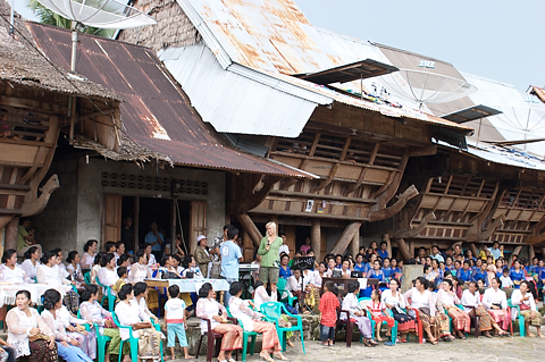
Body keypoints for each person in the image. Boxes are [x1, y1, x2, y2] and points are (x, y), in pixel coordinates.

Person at [228, 282, 286, 361]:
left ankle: (276, 350)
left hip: (247, 320)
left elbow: (244, 303)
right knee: (268, 327)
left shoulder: (232, 300)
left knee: (271, 326)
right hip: (246, 323)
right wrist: (260, 315)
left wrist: (249, 301)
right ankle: (265, 351)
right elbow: (250, 312)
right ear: (240, 291)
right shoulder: (238, 302)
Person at [41, 289, 93, 362]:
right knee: (68, 351)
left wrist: (65, 340)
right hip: (52, 342)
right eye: (60, 300)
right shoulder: (45, 315)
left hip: (60, 340)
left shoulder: (56, 313)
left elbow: (61, 328)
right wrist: (69, 340)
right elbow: (54, 333)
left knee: (77, 350)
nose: (61, 302)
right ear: (56, 303)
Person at [115, 284, 164, 361]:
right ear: (127, 294)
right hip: (129, 329)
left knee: (155, 334)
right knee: (147, 336)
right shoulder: (120, 306)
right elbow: (124, 320)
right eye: (132, 292)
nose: (133, 293)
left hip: (139, 327)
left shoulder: (133, 304)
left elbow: (143, 314)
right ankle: (145, 358)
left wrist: (147, 321)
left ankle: (150, 358)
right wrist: (137, 323)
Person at [79, 285, 128, 362]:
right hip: (95, 329)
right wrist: (102, 321)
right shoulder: (84, 305)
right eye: (97, 293)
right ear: (92, 294)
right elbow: (88, 319)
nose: (98, 295)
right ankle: (107, 356)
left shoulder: (96, 304)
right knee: (118, 334)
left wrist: (119, 312)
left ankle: (119, 356)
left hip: (103, 327)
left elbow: (106, 313)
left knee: (123, 332)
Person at [6, 290, 58, 362]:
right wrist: (29, 330)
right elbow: (13, 328)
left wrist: (51, 335)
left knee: (52, 345)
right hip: (20, 341)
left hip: (33, 338)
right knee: (41, 346)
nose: (19, 301)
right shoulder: (13, 312)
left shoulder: (34, 311)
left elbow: (42, 324)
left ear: (29, 301)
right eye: (18, 299)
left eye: (22, 299)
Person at [196, 283, 242, 362]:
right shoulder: (201, 301)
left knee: (239, 329)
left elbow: (223, 307)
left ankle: (228, 353)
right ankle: (221, 355)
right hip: (209, 325)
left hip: (218, 324)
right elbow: (199, 314)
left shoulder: (213, 301)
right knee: (231, 330)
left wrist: (224, 313)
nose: (213, 292)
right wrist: (213, 317)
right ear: (209, 291)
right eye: (212, 290)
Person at [341, 281, 377, 347]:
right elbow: (345, 308)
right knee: (362, 321)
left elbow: (358, 306)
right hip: (348, 316)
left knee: (366, 320)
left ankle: (367, 338)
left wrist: (361, 310)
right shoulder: (349, 296)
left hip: (354, 315)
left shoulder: (355, 297)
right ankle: (368, 338)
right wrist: (354, 312)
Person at [404, 277, 438, 345]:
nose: (416, 284)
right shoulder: (413, 290)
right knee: (423, 317)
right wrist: (408, 305)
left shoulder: (428, 293)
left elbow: (431, 305)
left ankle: (433, 335)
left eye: (417, 283)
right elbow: (404, 296)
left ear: (422, 285)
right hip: (415, 310)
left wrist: (432, 316)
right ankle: (430, 336)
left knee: (435, 319)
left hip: (425, 310)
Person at [165, 285, 194, 360]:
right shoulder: (181, 302)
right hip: (179, 321)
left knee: (171, 338)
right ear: (178, 293)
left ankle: (173, 355)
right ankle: (186, 354)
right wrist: (185, 323)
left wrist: (165, 324)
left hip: (170, 322)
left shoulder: (168, 303)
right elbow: (183, 314)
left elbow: (165, 314)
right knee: (183, 337)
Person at [257, 222, 282, 296]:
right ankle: (262, 300)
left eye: (270, 229)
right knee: (263, 284)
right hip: (264, 263)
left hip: (274, 263)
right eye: (267, 229)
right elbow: (259, 251)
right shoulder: (264, 239)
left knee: (273, 284)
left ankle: (273, 300)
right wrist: (265, 249)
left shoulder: (279, 239)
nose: (269, 230)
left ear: (274, 229)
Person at [220, 226, 243, 306]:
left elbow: (221, 256)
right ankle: (231, 308)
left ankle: (227, 308)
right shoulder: (235, 247)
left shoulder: (223, 245)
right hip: (232, 272)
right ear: (235, 236)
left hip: (224, 272)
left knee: (226, 291)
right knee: (233, 292)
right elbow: (241, 259)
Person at [318, 281, 339, 346]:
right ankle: (331, 341)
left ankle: (325, 341)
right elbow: (337, 305)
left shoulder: (324, 296)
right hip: (333, 315)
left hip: (326, 315)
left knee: (325, 329)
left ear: (326, 288)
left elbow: (322, 306)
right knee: (332, 329)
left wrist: (320, 314)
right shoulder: (334, 296)